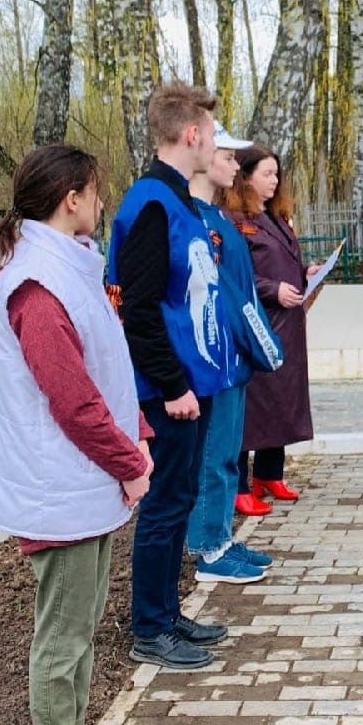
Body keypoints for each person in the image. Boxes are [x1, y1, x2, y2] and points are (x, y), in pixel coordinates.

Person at [0, 145, 153, 725]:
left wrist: (137, 431)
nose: (102, 202)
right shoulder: (39, 284)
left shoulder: (64, 268)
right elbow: (70, 398)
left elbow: (99, 365)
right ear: (71, 197)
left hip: (80, 479)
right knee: (66, 627)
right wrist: (130, 462)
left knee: (83, 616)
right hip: (61, 483)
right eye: (97, 191)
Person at [106, 81, 240, 671]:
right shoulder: (150, 204)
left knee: (180, 498)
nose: (214, 144)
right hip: (171, 389)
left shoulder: (180, 201)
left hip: (193, 383)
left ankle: (169, 612)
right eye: (211, 135)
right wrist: (172, 385)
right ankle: (150, 628)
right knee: (164, 506)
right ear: (191, 135)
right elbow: (137, 309)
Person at [185, 125, 284, 586]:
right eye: (227, 156)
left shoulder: (218, 218)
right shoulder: (196, 221)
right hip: (214, 356)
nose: (233, 165)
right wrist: (262, 342)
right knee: (212, 455)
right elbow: (224, 297)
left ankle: (221, 537)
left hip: (232, 358)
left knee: (226, 453)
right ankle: (207, 548)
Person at [225, 143, 314, 511]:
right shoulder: (233, 220)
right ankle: (240, 484)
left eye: (276, 174)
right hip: (257, 324)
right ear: (245, 177)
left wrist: (305, 272)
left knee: (282, 401)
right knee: (256, 406)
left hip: (287, 325)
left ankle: (270, 473)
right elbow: (233, 275)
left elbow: (283, 260)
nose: (274, 181)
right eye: (266, 174)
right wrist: (272, 289)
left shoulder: (275, 217)